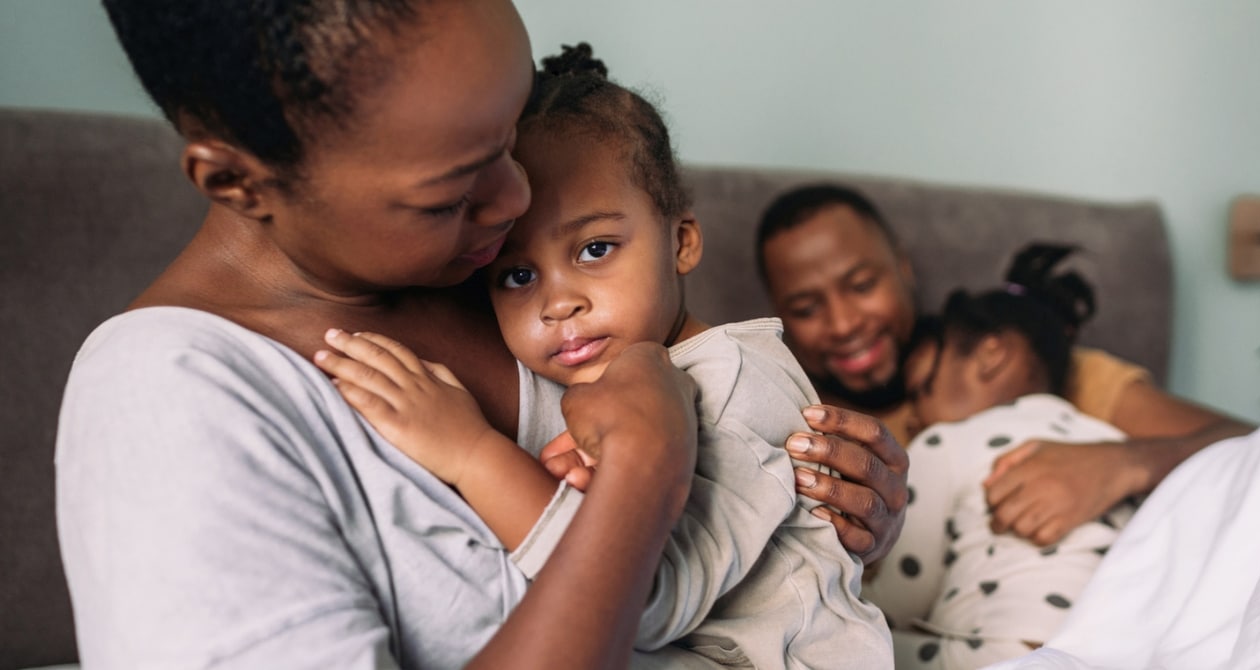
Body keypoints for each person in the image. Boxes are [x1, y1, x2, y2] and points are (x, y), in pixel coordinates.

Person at [55, 3, 907, 668]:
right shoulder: (170, 397)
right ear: (237, 179)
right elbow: (652, 560)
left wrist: (841, 516)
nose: (512, 207)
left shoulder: (491, 273)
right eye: (452, 189)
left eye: (508, 137)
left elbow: (755, 567)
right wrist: (647, 469)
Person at [318, 44, 896, 669]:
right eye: (516, 276)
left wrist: (469, 452)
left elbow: (641, 593)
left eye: (595, 249)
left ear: (681, 242)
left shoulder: (736, 380)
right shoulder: (599, 381)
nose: (558, 303)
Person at [755, 183, 1253, 551]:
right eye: (805, 308)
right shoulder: (796, 429)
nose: (843, 324)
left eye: (863, 285)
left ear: (903, 269)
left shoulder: (1030, 371)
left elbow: (1256, 446)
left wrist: (1122, 463)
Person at [878, 244, 1136, 670]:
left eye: (923, 387)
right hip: (1114, 655)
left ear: (991, 354)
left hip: (1004, 656)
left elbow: (902, 597)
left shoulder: (946, 441)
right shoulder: (1109, 441)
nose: (914, 418)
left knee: (834, 636)